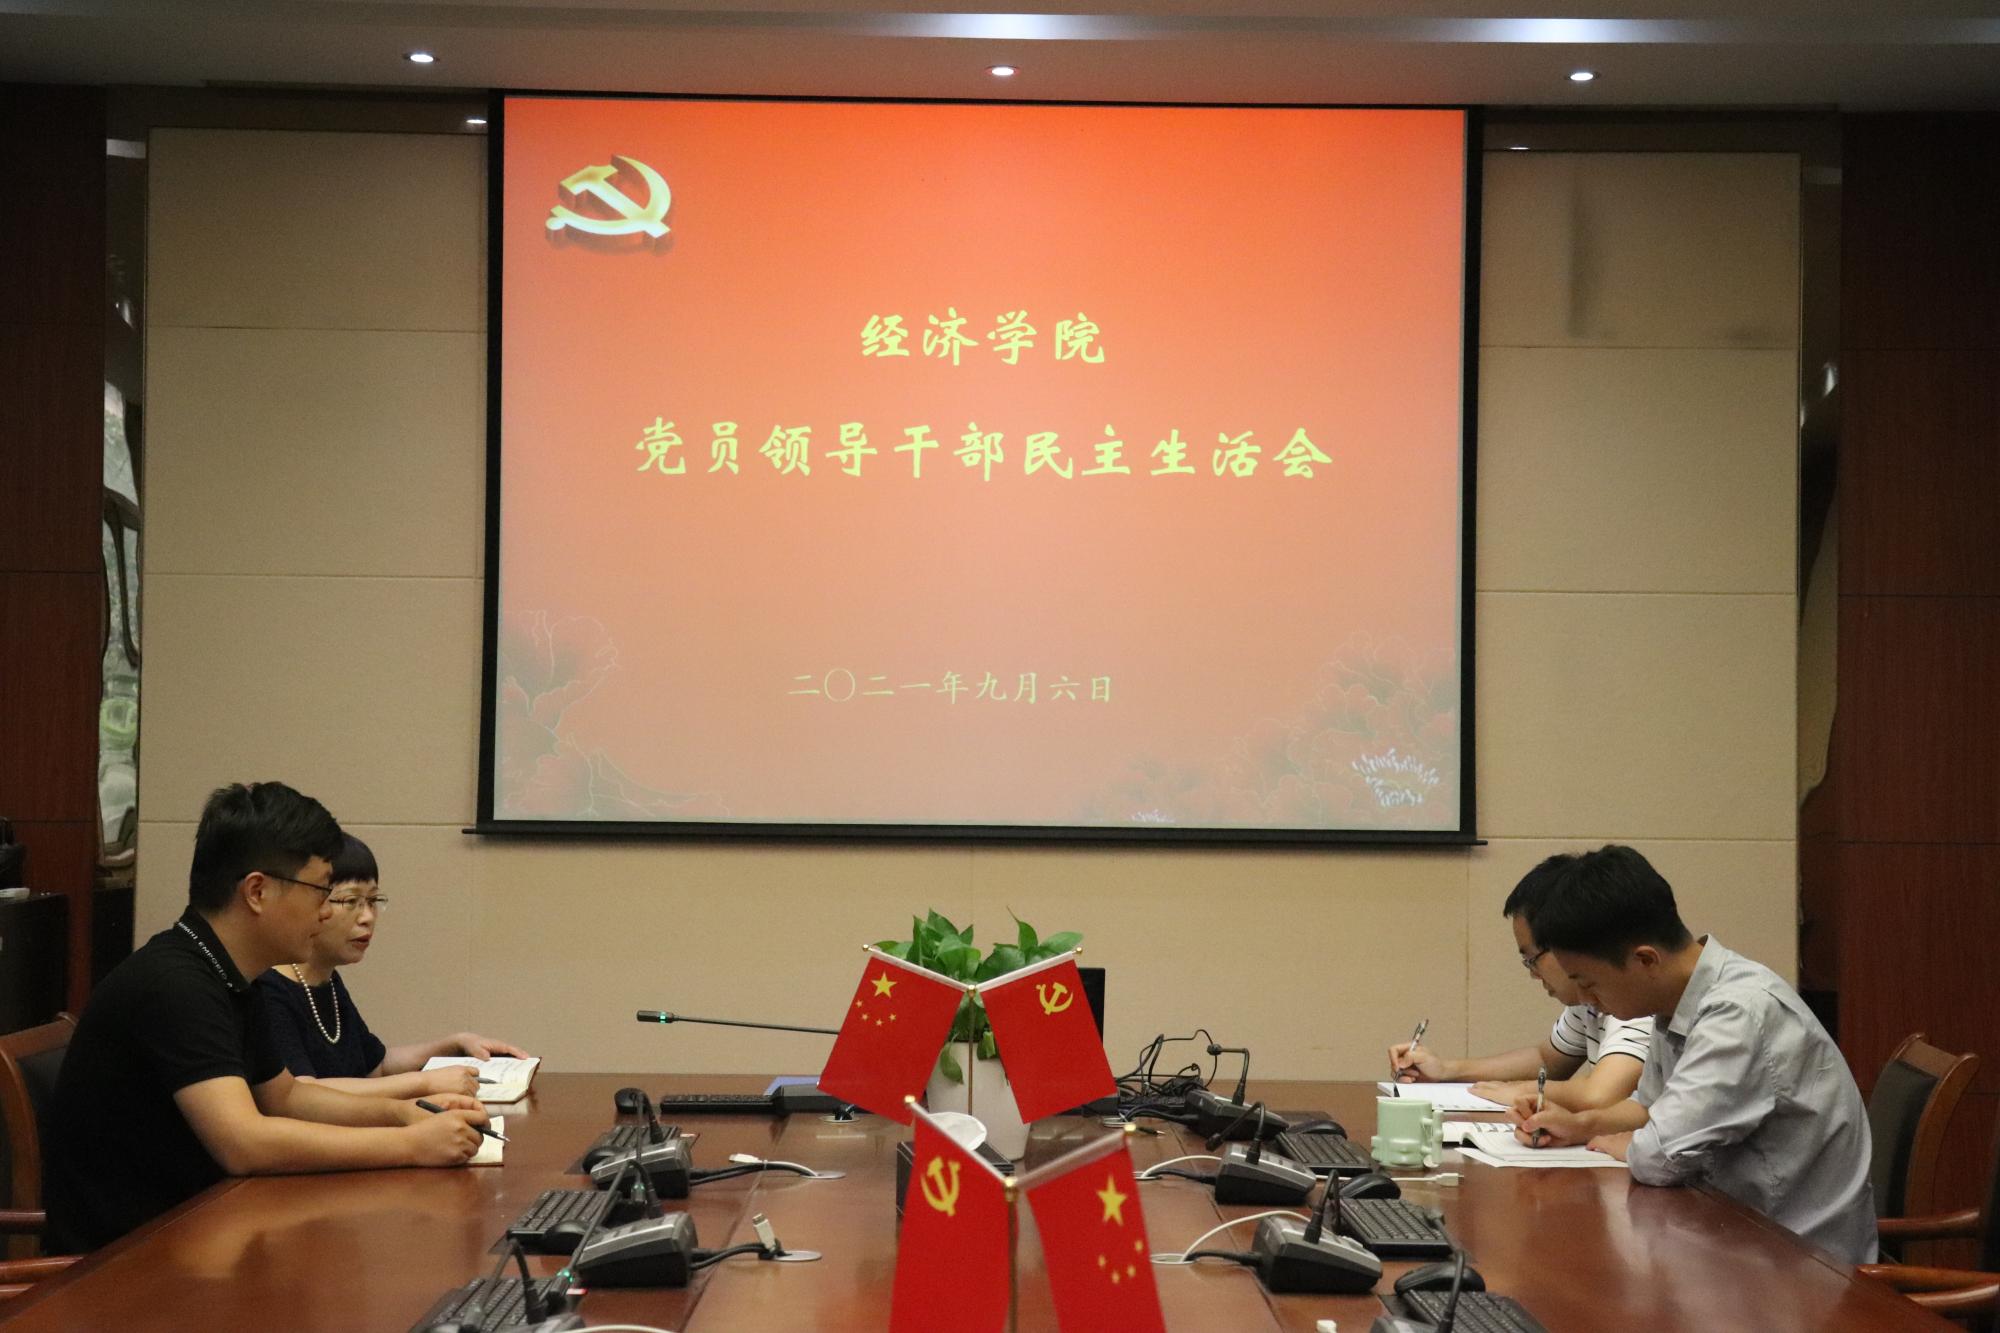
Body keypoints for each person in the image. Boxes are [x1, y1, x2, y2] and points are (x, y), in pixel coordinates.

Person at [43, 782, 489, 1254]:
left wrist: (402, 1114)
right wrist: (411, 1145)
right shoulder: (175, 984)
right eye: (321, 891)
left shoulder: (232, 973)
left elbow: (286, 1097)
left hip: (203, 1232)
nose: (327, 911)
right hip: (127, 1262)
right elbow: (244, 1143)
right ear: (257, 891)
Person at [1507, 845, 1877, 1266]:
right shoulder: (1677, 999)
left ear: (1645, 959)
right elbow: (1648, 1108)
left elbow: (1656, 1157)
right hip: (1730, 1239)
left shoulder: (1738, 1013)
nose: (1587, 1000)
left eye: (1589, 983)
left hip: (1798, 1266)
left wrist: (1637, 1144)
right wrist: (1580, 1126)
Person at [255, 833, 529, 1098]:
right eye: (351, 901)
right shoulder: (269, 989)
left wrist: (452, 1045)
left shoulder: (327, 981)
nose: (367, 917)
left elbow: (377, 1066)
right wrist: (424, 1083)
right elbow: (302, 1092)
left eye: (373, 901)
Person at [1386, 855, 1650, 1111]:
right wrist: (1446, 1070)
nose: (1534, 974)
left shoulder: (1632, 1002)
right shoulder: (1589, 999)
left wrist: (1522, 1091)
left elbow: (1599, 1095)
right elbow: (1547, 1060)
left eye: (1532, 959)